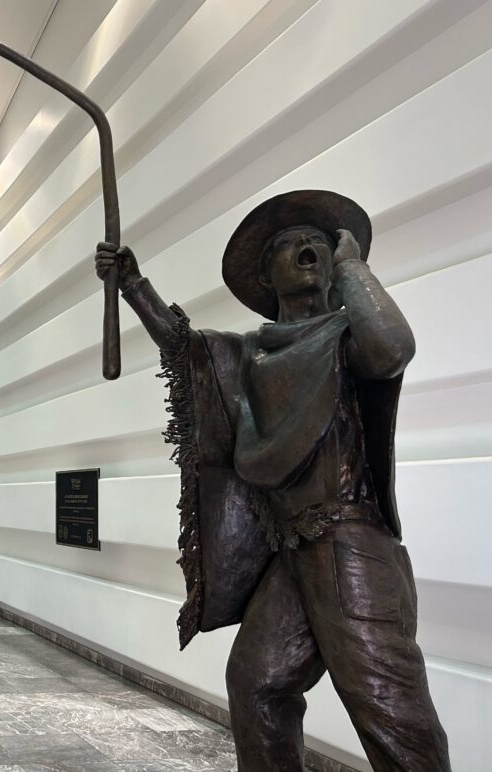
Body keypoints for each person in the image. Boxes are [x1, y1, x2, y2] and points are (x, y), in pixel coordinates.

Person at [95, 190, 450, 771]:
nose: (307, 247)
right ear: (266, 275)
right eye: (290, 243)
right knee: (257, 682)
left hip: (351, 547)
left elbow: (393, 348)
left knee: (390, 711)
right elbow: (188, 350)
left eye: (319, 241)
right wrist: (133, 284)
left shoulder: (347, 339)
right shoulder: (251, 356)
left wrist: (353, 270)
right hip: (293, 550)